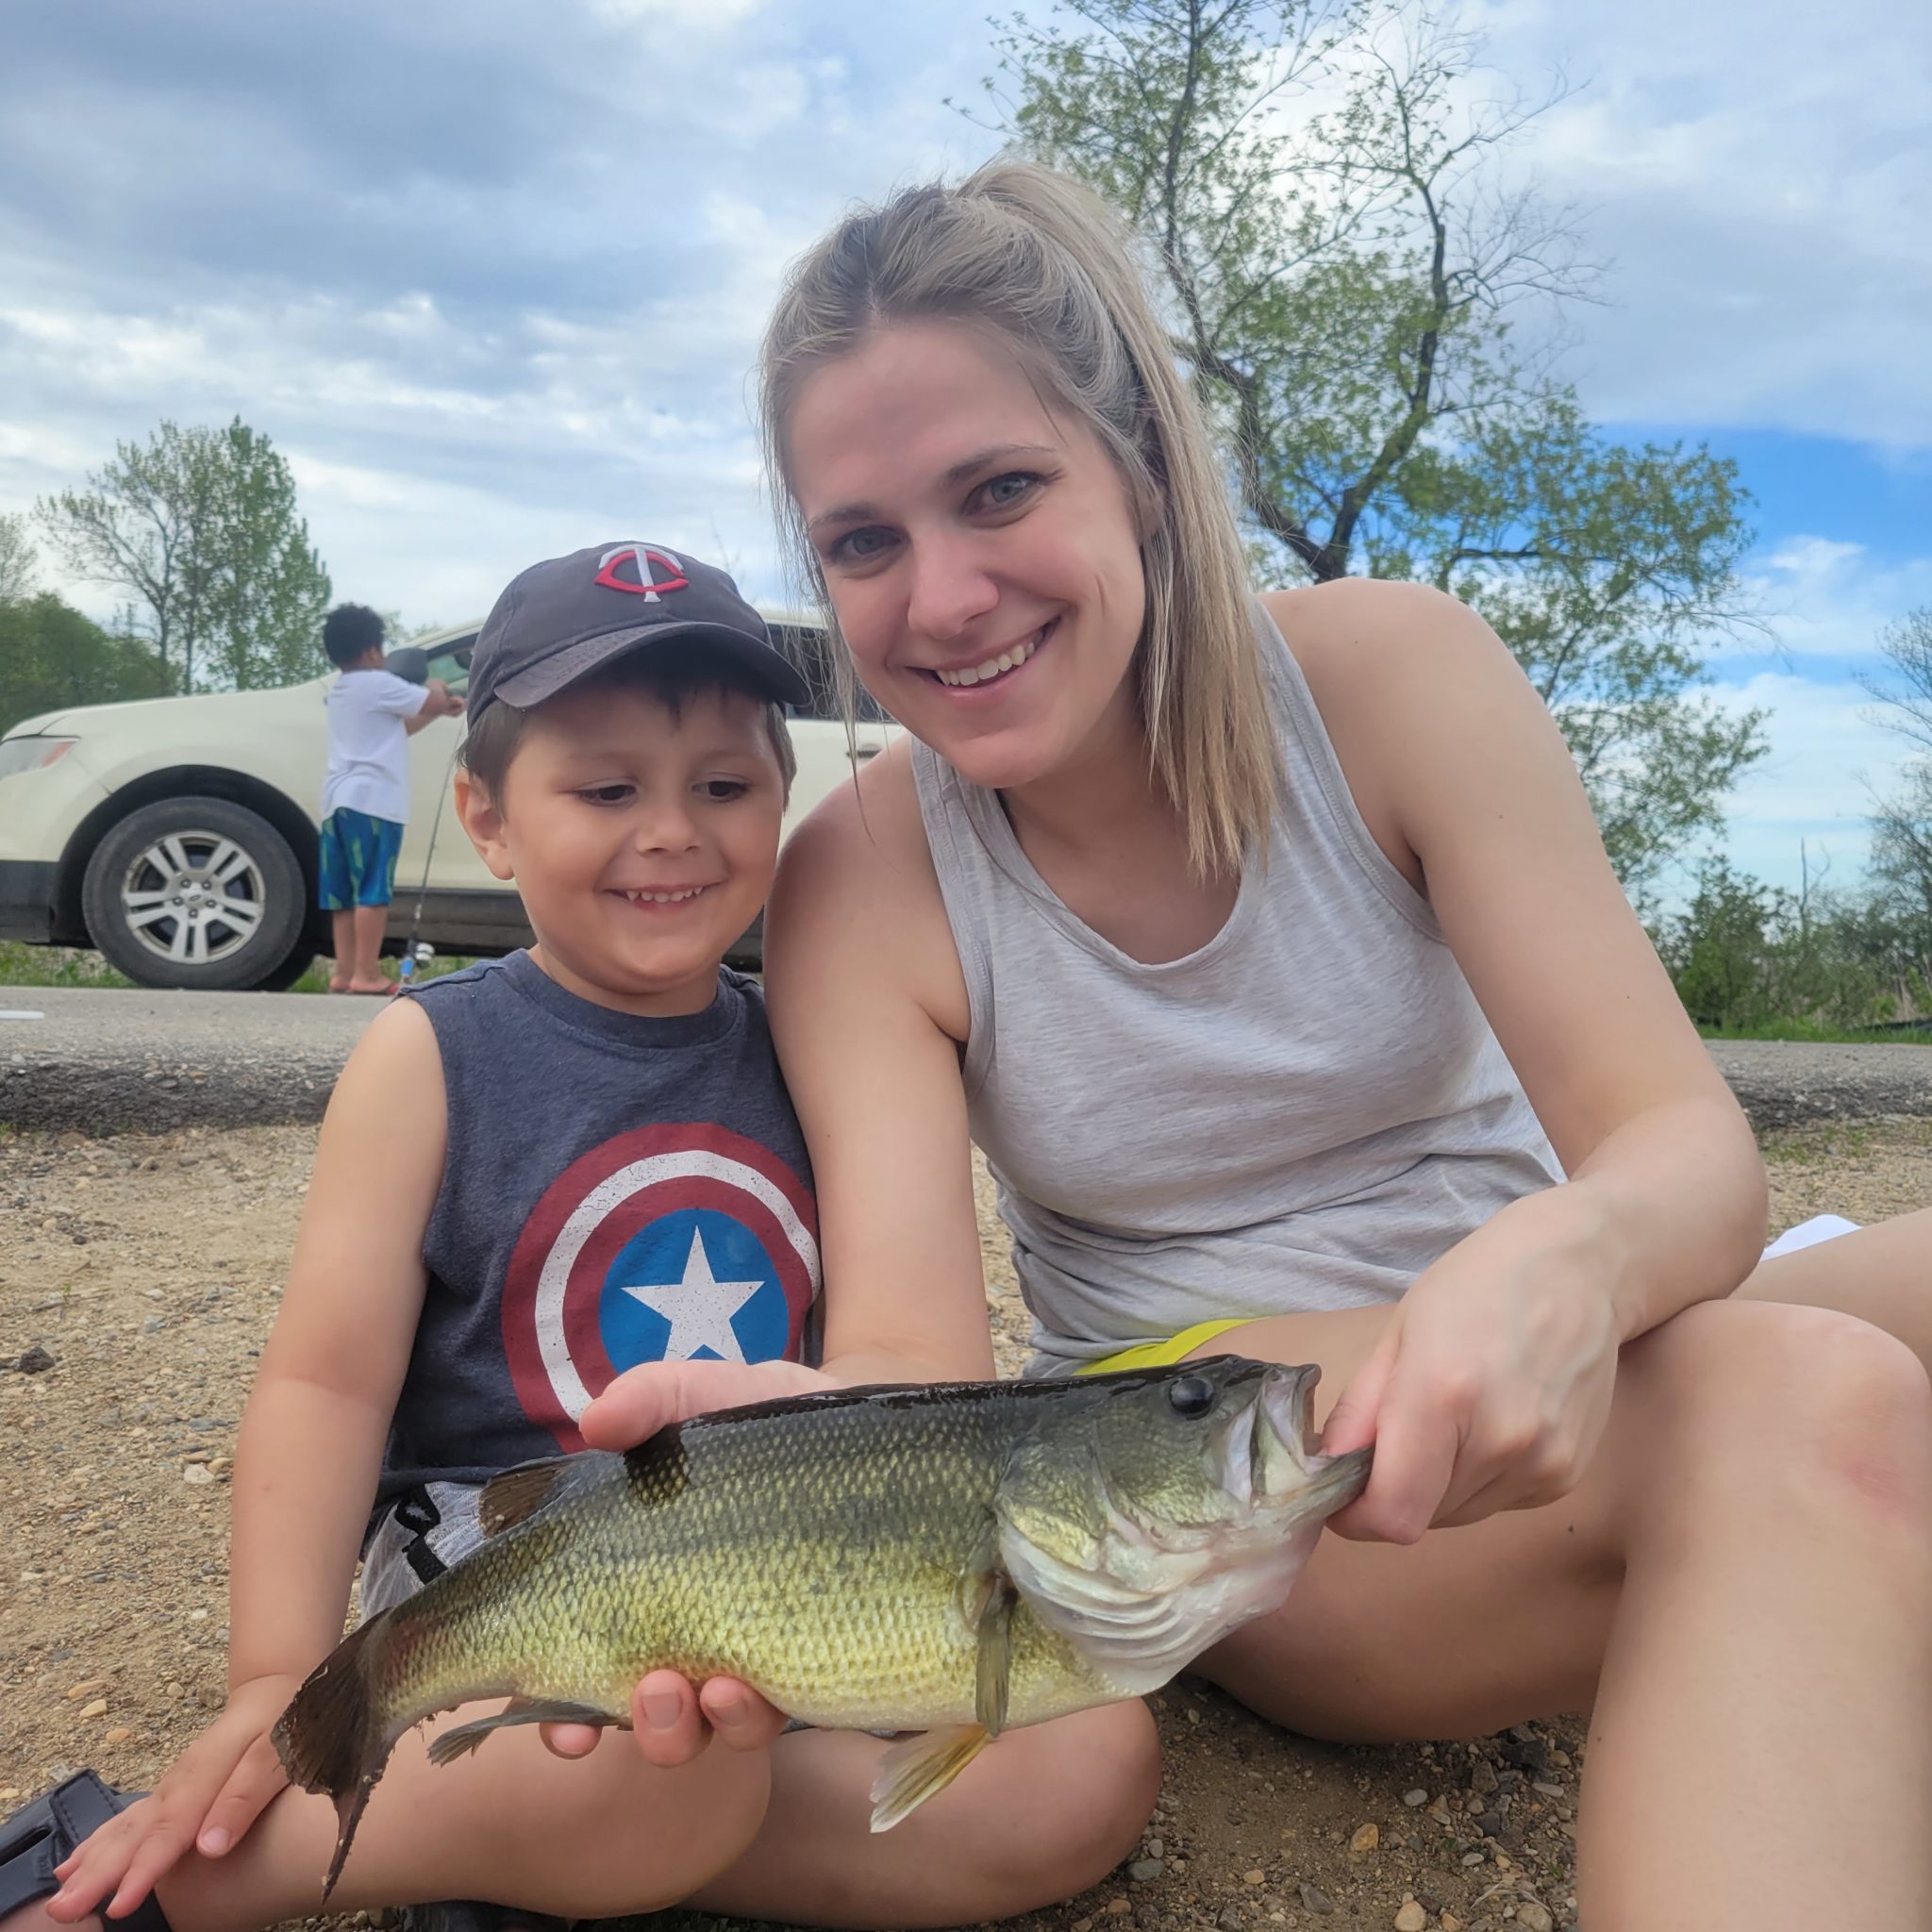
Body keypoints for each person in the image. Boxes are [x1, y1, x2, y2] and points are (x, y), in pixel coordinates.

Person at [567, 162, 1932, 1925]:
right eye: (863, 541)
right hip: (1238, 1459)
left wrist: (1562, 1253)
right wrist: (793, 1476)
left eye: (999, 490)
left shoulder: (1392, 679)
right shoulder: (867, 871)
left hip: (1571, 1320)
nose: (945, 596)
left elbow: (1681, 1152)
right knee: (1811, 1409)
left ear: (1138, 459)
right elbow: (917, 1362)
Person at [0, 543, 1154, 1932]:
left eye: (724, 788)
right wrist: (274, 1674)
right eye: (605, 789)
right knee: (661, 1775)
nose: (670, 829)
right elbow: (324, 1387)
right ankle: (190, 1882)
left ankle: (511, 1847)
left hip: (773, 1578)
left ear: (784, 802)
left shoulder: (823, 1049)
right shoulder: (425, 1058)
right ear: (486, 817)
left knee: (1089, 1753)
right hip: (498, 1571)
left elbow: (885, 1377)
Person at [318, 603, 463, 995]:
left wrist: (438, 711)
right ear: (371, 651)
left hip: (338, 802)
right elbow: (429, 698)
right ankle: (368, 974)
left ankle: (345, 973)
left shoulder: (344, 691)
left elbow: (398, 728)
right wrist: (439, 689)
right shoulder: (377, 682)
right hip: (375, 802)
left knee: (344, 896)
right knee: (372, 890)